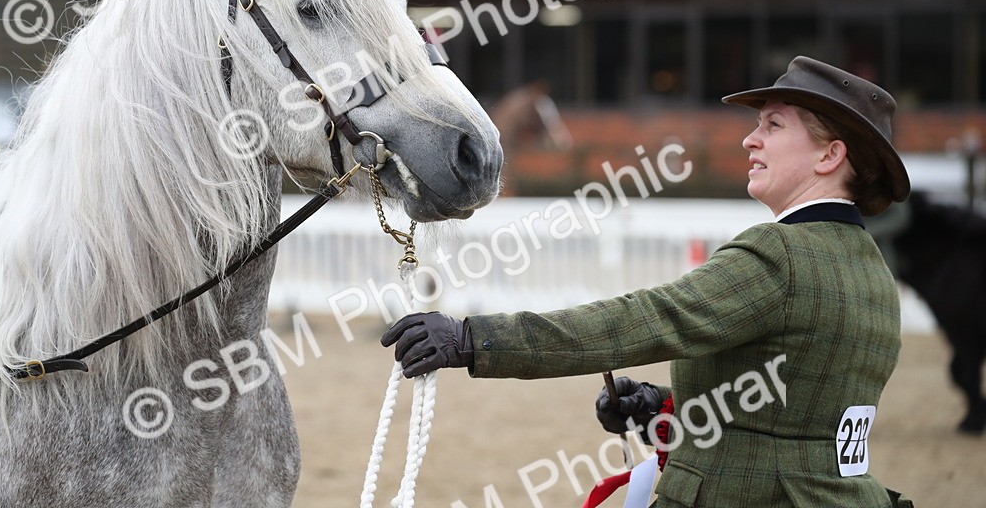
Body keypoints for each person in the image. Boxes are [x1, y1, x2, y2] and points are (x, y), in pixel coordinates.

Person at [382, 57, 914, 507]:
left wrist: (474, 340)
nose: (750, 139)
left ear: (830, 154)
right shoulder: (871, 270)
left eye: (773, 126)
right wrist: (664, 408)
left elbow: (650, 318)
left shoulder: (781, 254)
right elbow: (796, 419)